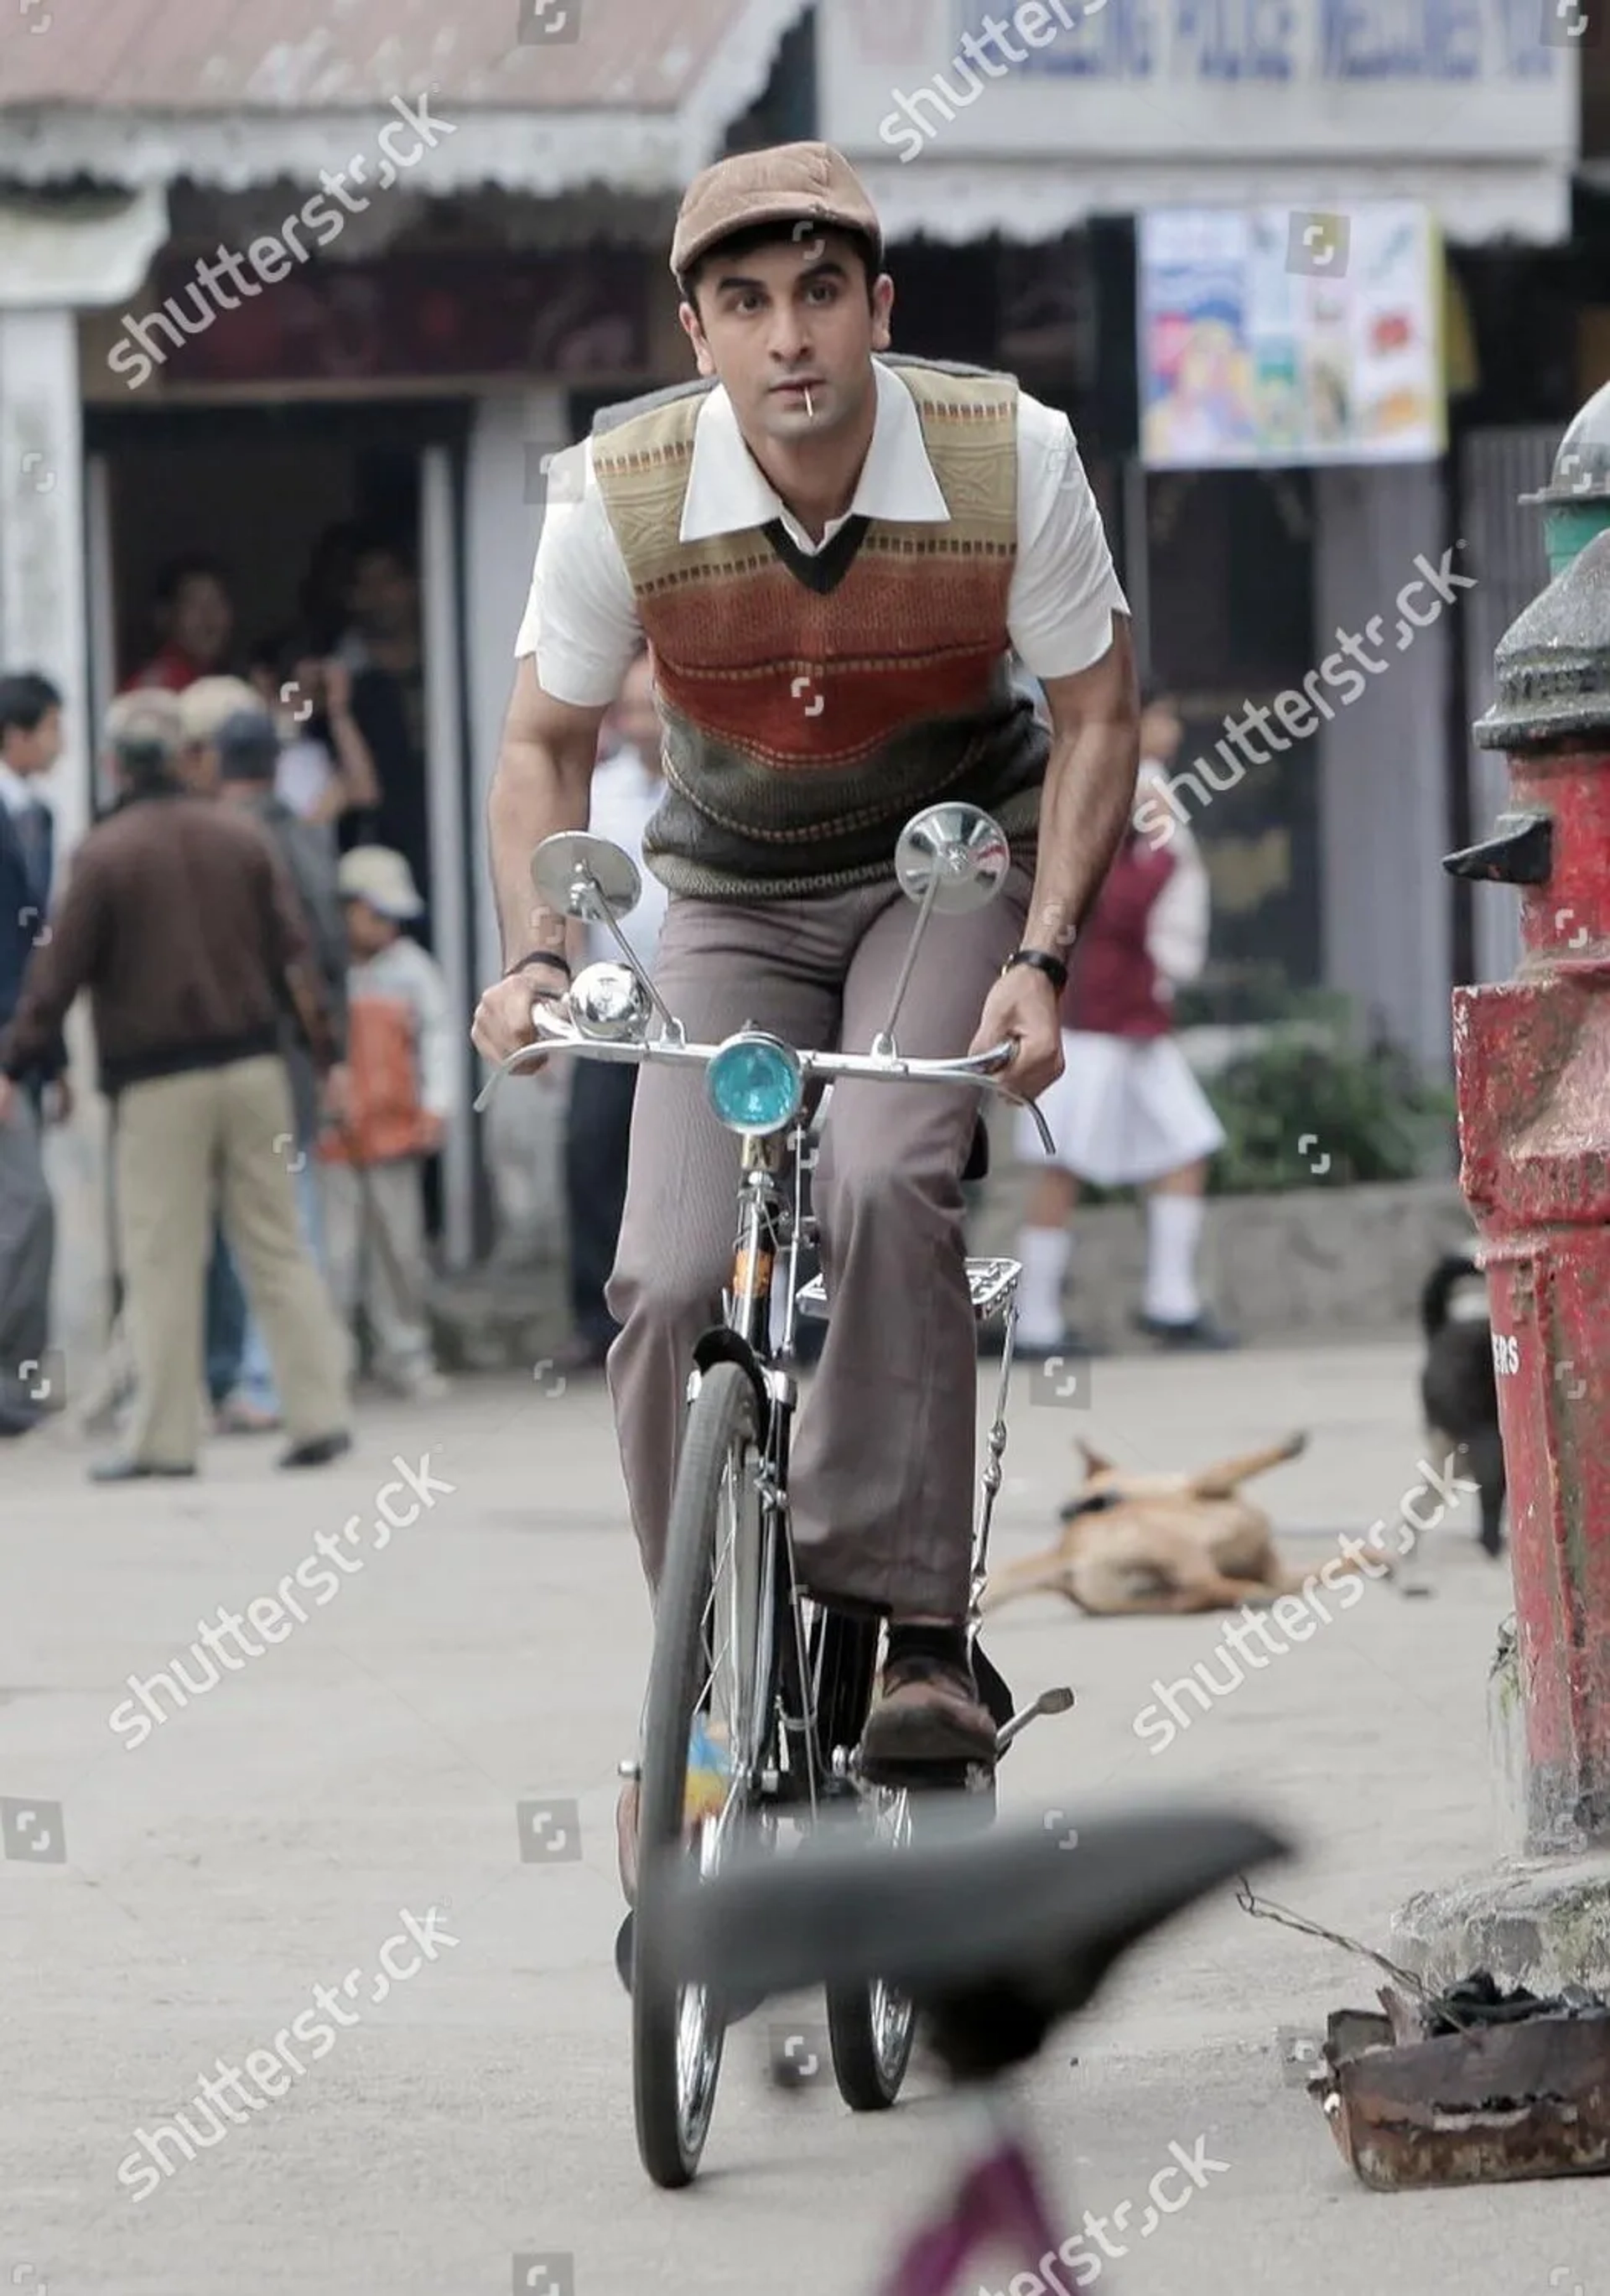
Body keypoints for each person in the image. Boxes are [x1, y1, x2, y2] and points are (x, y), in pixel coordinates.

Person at [471, 140, 1137, 1899]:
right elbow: (541, 744)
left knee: (887, 1162)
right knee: (670, 1277)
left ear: (879, 310)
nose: (790, 339)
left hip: (941, 876)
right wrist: (540, 954)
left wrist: (1044, 956)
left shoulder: (1014, 458)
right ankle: (696, 1683)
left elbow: (1093, 712)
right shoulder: (615, 491)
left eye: (822, 294)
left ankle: (917, 1636)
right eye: (747, 303)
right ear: (696, 332)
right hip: (731, 900)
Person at [0, 689, 353, 1480]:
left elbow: (56, 975)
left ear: (115, 763)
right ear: (189, 757)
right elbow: (296, 956)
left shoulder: (105, 852)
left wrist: (19, 1060)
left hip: (160, 1086)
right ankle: (319, 1412)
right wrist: (325, 1057)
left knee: (163, 1255)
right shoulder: (241, 836)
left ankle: (164, 1438)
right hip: (256, 1069)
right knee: (277, 1243)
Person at [1011, 685, 1237, 1353]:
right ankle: (1036, 1322)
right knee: (1062, 1166)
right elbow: (1106, 900)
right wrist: (1159, 849)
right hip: (1094, 1016)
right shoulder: (1106, 784)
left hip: (1136, 1014)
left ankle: (1172, 1303)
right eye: (1161, 713)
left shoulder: (1152, 788)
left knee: (1187, 1146)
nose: (1171, 726)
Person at [205, 707, 351, 1433]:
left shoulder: (202, 836)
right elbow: (323, 948)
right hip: (284, 1055)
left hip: (200, 1056)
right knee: (292, 1221)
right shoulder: (293, 836)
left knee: (223, 1224)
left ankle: (240, 1375)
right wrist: (338, 1055)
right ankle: (279, 1379)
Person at [553, 647, 669, 1374]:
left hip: (701, 1009)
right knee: (591, 1152)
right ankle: (598, 1320)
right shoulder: (599, 795)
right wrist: (560, 987)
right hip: (614, 1005)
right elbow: (567, 899)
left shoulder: (707, 792)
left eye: (648, 708)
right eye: (628, 711)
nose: (638, 722)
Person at [318, 847, 453, 1401]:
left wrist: (436, 1107)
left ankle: (406, 1357)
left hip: (395, 1134)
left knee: (399, 1252)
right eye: (376, 914)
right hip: (333, 1138)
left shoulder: (412, 970)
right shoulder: (324, 972)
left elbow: (439, 1038)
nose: (386, 927)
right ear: (347, 910)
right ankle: (331, 1365)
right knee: (335, 1256)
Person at [0, 672, 68, 1437]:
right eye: (51, 727)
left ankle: (18, 1378)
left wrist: (54, 1061)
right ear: (17, 733)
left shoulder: (39, 816)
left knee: (21, 1212)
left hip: (27, 1043)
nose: (58, 743)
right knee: (27, 1211)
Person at [336, 536, 431, 921]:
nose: (380, 596)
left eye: (389, 581)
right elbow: (292, 715)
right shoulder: (343, 669)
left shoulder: (449, 648)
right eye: (366, 585)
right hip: (375, 830)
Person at [246, 639, 382, 837]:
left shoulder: (315, 753)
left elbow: (365, 793)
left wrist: (339, 711)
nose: (302, 704)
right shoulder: (242, 747)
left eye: (311, 694)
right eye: (293, 690)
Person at [122, 556, 236, 693]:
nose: (208, 617)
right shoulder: (157, 687)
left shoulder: (216, 680)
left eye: (217, 603)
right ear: (165, 617)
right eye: (194, 605)